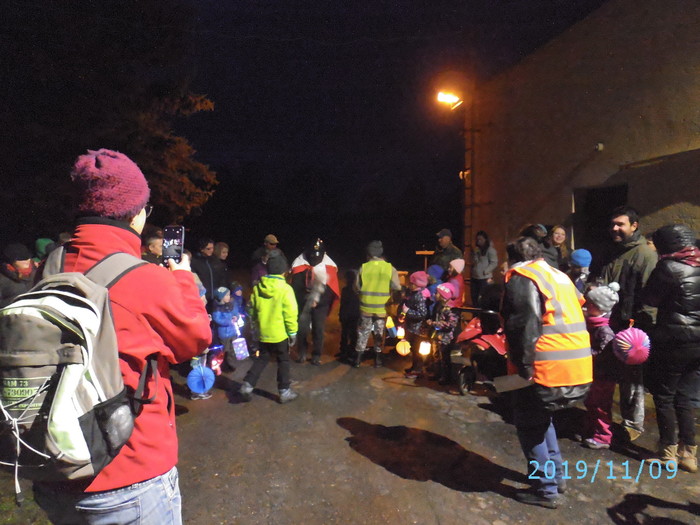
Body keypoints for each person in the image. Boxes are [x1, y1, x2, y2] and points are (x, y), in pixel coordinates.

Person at [32, 148, 211, 524]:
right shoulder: (145, 278)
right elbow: (195, 339)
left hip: (54, 466)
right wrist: (181, 277)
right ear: (135, 212)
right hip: (126, 477)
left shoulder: (49, 266)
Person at [501, 236, 592, 509]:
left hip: (544, 366)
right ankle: (556, 478)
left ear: (513, 258)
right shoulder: (558, 275)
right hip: (576, 364)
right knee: (542, 421)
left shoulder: (522, 277)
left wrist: (523, 368)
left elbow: (523, 326)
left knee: (529, 423)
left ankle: (545, 489)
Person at [642, 224, 700, 472]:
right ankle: (689, 454)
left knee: (664, 396)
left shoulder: (668, 266)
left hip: (674, 340)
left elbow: (650, 298)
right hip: (697, 342)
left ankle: (668, 453)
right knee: (685, 396)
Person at [600, 205, 658, 442]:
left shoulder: (645, 255)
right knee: (613, 375)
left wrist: (643, 330)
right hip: (611, 323)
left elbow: (650, 297)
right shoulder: (614, 252)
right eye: (612, 224)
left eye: (620, 224)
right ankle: (606, 422)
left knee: (632, 380)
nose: (614, 228)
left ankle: (633, 425)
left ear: (634, 226)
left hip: (632, 328)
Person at [240, 253, 299, 404]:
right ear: (284, 272)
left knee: (262, 358)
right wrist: (292, 332)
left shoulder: (258, 288)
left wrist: (255, 328)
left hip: (263, 333)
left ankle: (247, 385)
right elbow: (290, 313)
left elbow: (252, 310)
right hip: (280, 335)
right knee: (283, 360)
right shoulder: (286, 289)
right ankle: (284, 391)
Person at [582, 282, 623, 450]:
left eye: (590, 304)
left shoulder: (605, 330)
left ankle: (603, 437)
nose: (586, 306)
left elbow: (603, 354)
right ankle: (593, 429)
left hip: (604, 376)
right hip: (595, 373)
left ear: (598, 307)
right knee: (591, 402)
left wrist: (584, 352)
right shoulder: (593, 324)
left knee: (601, 406)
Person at [290, 239, 340, 365]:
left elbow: (330, 290)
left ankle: (316, 355)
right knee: (302, 329)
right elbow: (296, 288)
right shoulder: (299, 265)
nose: (315, 258)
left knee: (318, 329)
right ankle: (302, 353)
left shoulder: (329, 267)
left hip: (321, 304)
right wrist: (307, 299)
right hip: (304, 303)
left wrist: (318, 301)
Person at [353, 241, 401, 368]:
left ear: (368, 253)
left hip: (366, 307)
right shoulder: (389, 268)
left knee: (363, 332)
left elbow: (356, 287)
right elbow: (397, 286)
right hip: (382, 309)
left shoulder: (364, 267)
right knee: (379, 333)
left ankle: (357, 359)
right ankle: (378, 359)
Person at [426, 282, 461, 384]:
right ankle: (437, 373)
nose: (435, 294)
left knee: (444, 357)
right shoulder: (439, 305)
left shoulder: (451, 309)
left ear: (443, 296)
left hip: (446, 337)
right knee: (436, 355)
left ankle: (446, 377)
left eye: (437, 293)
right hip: (438, 335)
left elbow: (451, 324)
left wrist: (434, 323)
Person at [402, 271, 430, 379]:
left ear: (417, 284)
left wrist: (408, 311)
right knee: (413, 349)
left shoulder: (419, 296)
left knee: (417, 349)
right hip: (412, 326)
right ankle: (414, 367)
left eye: (411, 283)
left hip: (417, 329)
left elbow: (422, 314)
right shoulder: (414, 293)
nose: (409, 285)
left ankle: (417, 370)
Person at [191, 237, 226, 310]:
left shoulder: (215, 260)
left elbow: (222, 277)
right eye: (208, 249)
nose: (211, 250)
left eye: (212, 248)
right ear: (201, 249)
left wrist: (223, 291)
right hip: (203, 297)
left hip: (216, 297)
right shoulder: (195, 262)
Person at [0, 243, 38, 308]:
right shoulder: (2, 278)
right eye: (21, 259)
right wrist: (20, 302)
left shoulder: (38, 273)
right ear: (11, 261)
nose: (26, 260)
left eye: (27, 257)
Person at [471, 230, 498, 307]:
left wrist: (485, 271)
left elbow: (494, 263)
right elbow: (475, 262)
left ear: (485, 240)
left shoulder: (490, 250)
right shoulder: (477, 250)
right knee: (474, 297)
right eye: (477, 239)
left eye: (481, 239)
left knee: (483, 298)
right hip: (475, 277)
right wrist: (475, 254)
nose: (479, 241)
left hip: (485, 278)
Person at [338, 269, 360, 363]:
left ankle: (344, 351)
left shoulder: (346, 290)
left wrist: (341, 314)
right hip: (355, 315)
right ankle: (351, 351)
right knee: (353, 334)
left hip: (347, 314)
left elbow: (343, 304)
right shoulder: (358, 291)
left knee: (345, 334)